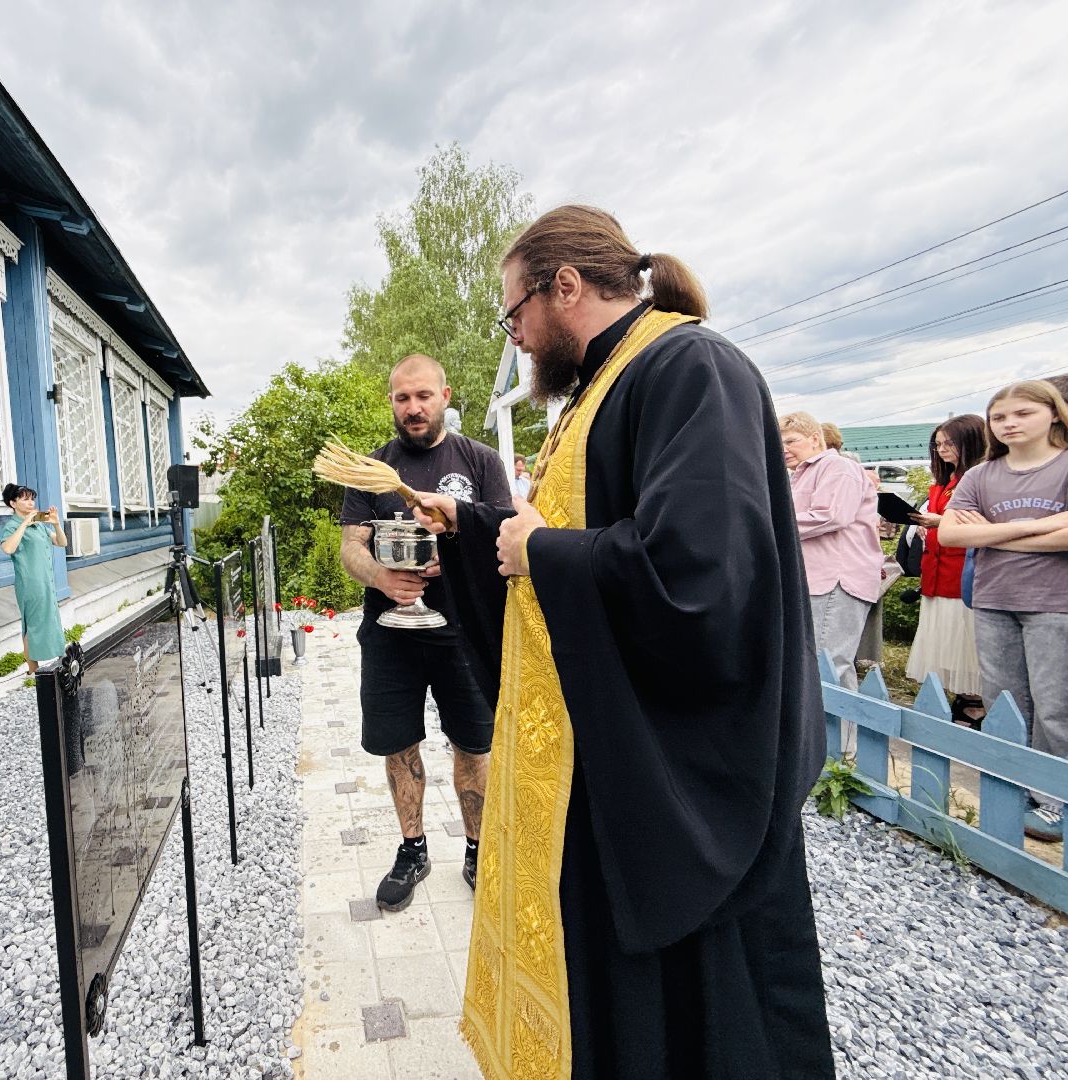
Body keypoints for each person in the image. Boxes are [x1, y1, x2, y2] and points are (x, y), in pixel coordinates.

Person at [414, 206, 831, 1079]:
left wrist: (543, 551)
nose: (518, 336)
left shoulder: (688, 366)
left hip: (678, 770)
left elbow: (700, 573)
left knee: (696, 1024)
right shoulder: (605, 383)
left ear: (564, 286)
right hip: (605, 751)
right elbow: (576, 529)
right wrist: (474, 525)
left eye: (514, 313)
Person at [338, 354, 512, 910]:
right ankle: (413, 849)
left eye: (423, 396)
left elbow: (504, 538)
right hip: (391, 633)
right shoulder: (371, 470)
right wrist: (383, 578)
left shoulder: (480, 461)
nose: (413, 408)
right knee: (398, 742)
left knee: (472, 743)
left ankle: (477, 849)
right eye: (401, 398)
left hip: (463, 632)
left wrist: (455, 556)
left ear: (445, 395)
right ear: (391, 400)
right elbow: (350, 547)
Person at [940, 381, 1068, 843]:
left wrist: (994, 530)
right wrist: (1037, 527)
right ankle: (1010, 787)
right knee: (1005, 701)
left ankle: (1054, 800)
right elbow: (952, 536)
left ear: (1053, 414)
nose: (1009, 423)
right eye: (999, 417)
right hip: (995, 599)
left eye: (1022, 413)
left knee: (1056, 706)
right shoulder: (981, 475)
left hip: (1056, 602)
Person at [781, 411, 883, 689]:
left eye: (791, 441)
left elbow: (832, 515)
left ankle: (837, 733)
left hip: (836, 579)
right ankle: (833, 732)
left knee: (828, 664)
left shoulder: (837, 467)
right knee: (819, 664)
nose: (784, 449)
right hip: (816, 579)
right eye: (779, 443)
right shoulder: (799, 474)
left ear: (815, 439)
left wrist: (771, 525)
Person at [905, 415, 989, 726]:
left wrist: (941, 523)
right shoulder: (944, 482)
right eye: (938, 444)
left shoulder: (981, 478)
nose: (942, 450)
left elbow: (985, 523)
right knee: (943, 635)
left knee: (965, 636)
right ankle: (957, 696)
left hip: (963, 570)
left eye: (949, 443)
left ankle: (975, 700)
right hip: (936, 570)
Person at [0, 483, 67, 674]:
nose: (31, 503)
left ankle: (53, 662)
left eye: (32, 498)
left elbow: (62, 542)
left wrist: (55, 523)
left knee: (49, 619)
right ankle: (32, 670)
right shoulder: (12, 526)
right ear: (13, 503)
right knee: (32, 624)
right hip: (30, 584)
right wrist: (24, 524)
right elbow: (7, 548)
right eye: (25, 499)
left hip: (46, 581)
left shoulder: (39, 525)